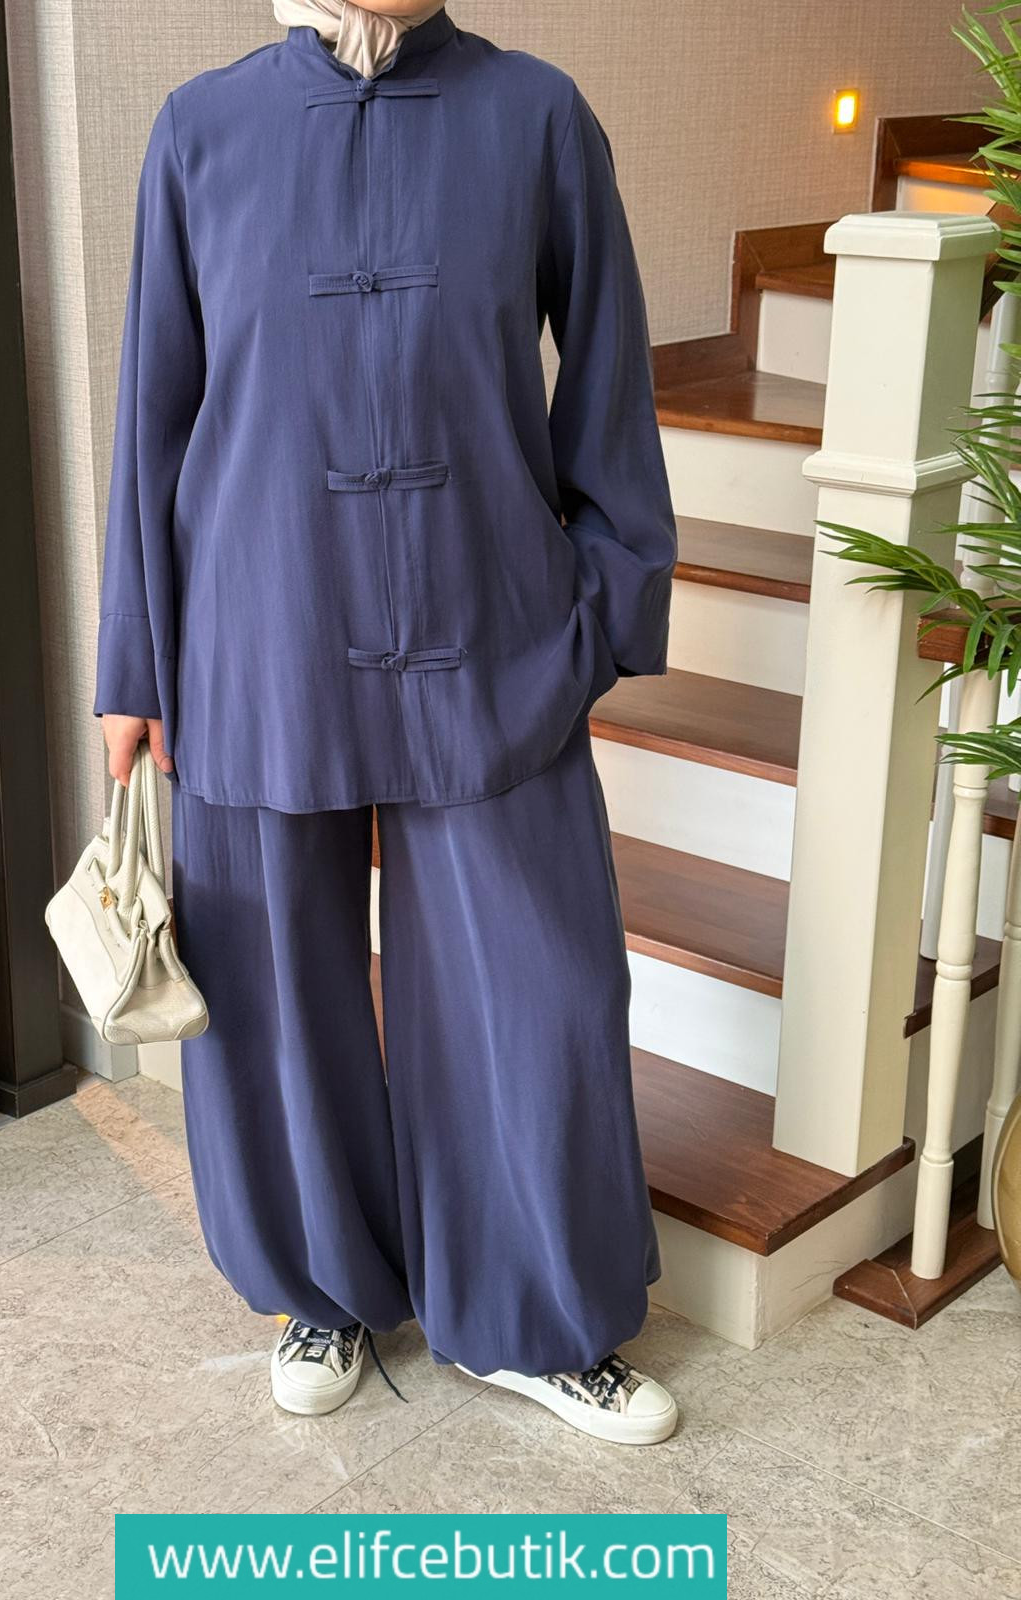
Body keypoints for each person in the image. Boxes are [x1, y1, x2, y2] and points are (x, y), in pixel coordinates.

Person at [95, 0, 679, 1446]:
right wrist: (135, 664)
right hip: (258, 624)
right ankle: (325, 1289)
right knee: (272, 988)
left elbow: (609, 379)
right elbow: (154, 413)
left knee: (538, 984)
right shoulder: (201, 132)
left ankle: (539, 1315)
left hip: (490, 624)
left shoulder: (538, 117)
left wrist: (602, 605)